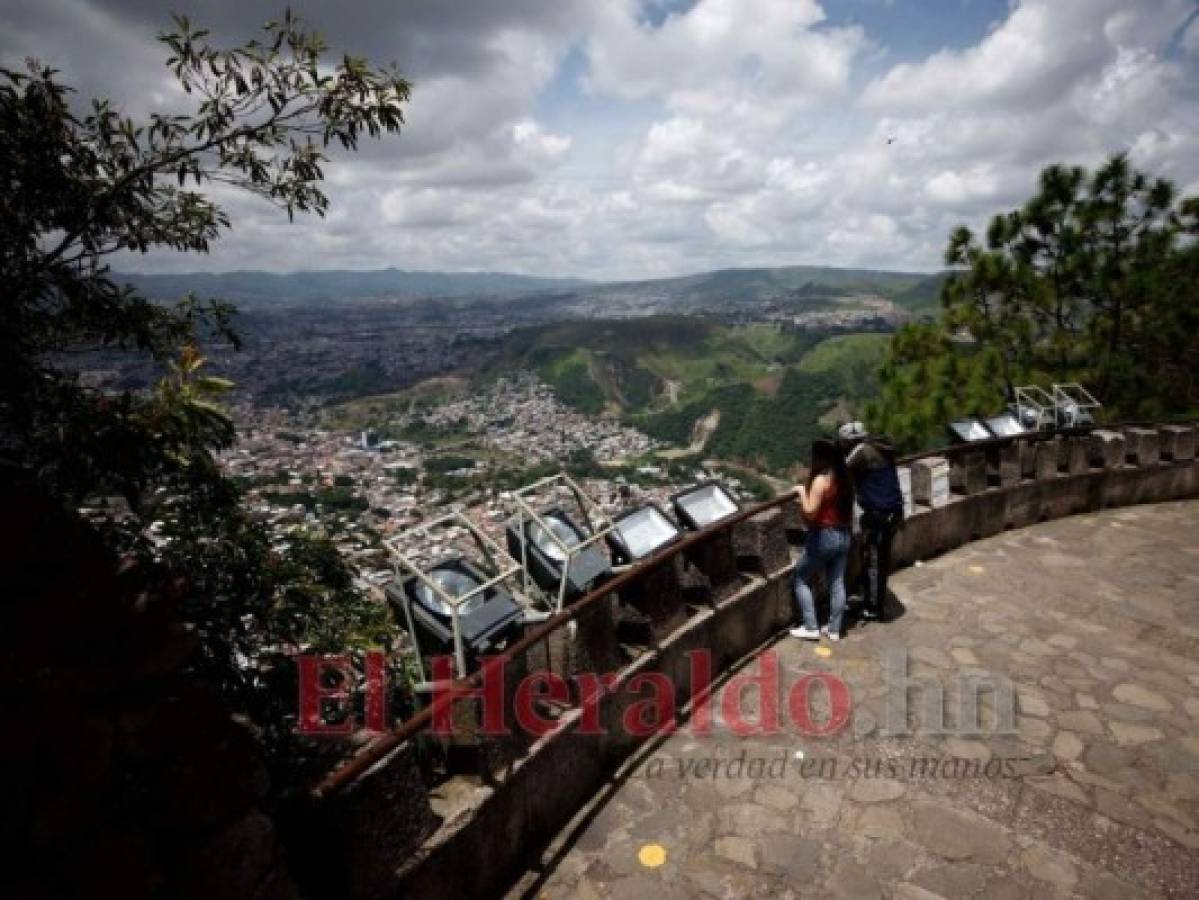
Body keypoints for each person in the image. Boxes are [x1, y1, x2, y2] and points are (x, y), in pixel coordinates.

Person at [837, 421, 904, 622]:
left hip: (878, 514)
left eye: (843, 443)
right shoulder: (879, 448)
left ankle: (873, 608)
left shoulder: (861, 452)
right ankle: (870, 596)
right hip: (893, 511)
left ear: (849, 441)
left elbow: (840, 473)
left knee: (874, 560)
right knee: (878, 558)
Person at [790, 439, 854, 641]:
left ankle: (811, 626)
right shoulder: (843, 477)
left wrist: (801, 492)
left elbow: (810, 512)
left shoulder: (821, 479)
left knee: (800, 578)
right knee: (837, 582)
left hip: (824, 536)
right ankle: (834, 629)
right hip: (844, 535)